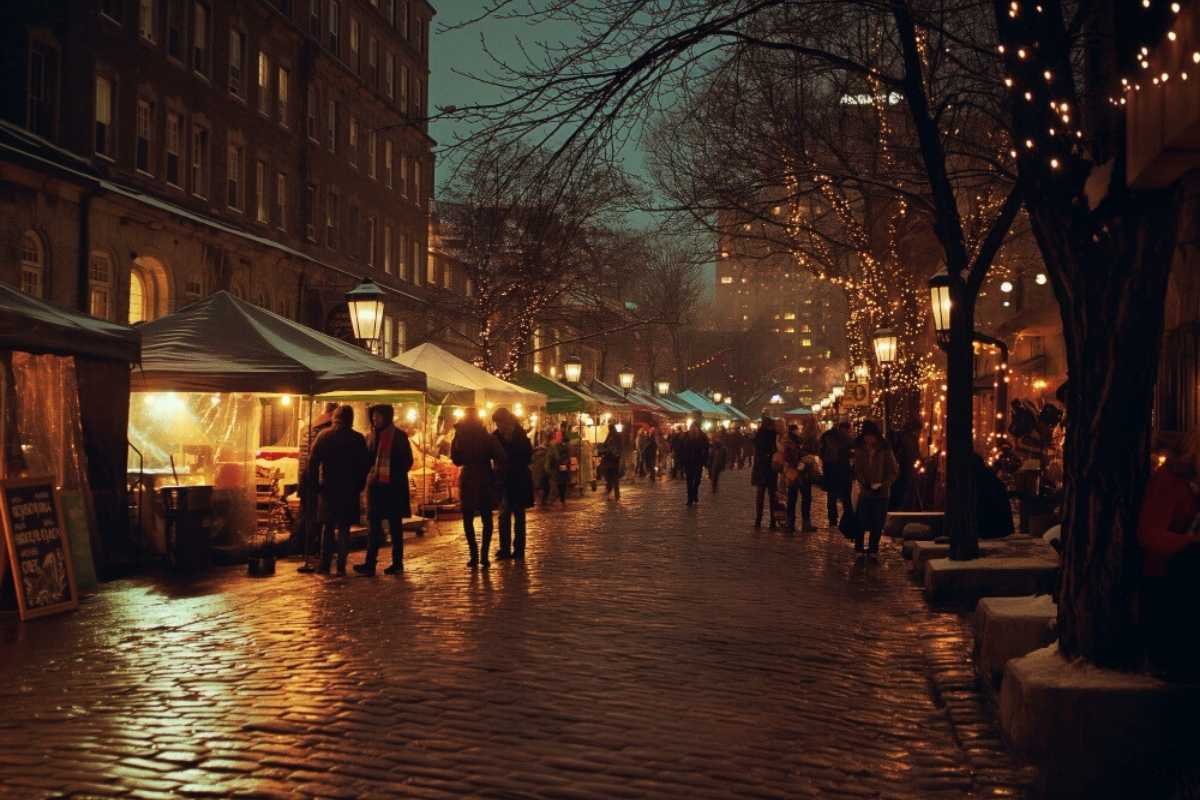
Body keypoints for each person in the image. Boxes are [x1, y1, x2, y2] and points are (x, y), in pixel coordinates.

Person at [305, 405, 370, 575]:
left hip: (328, 488)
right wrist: (359, 485)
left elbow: (312, 461)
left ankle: (325, 564)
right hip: (349, 489)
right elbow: (364, 465)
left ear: (335, 417)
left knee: (327, 527)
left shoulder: (324, 436)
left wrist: (314, 485)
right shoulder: (357, 439)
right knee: (344, 529)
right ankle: (341, 565)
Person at [352, 405, 414, 576]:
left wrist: (391, 472)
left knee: (395, 527)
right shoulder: (371, 436)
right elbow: (367, 460)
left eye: (378, 416)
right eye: (373, 416)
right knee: (374, 526)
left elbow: (408, 461)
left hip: (393, 488)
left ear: (387, 417)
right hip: (376, 488)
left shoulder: (399, 437)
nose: (375, 419)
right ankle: (370, 563)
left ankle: (397, 563)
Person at [451, 409, 506, 568]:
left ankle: (474, 555)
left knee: (468, 519)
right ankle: (484, 555)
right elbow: (501, 457)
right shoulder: (488, 438)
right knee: (486, 518)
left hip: (468, 479)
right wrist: (496, 476)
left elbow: (456, 460)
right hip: (485, 479)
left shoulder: (460, 437)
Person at [296, 401, 337, 571]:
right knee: (320, 519)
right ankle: (315, 551)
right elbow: (318, 461)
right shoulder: (326, 432)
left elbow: (303, 459)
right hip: (319, 481)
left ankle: (307, 549)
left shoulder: (309, 429)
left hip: (306, 478)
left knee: (309, 516)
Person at [852, 420, 899, 558]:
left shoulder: (885, 449)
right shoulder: (860, 448)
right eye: (866, 436)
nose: (868, 439)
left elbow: (893, 471)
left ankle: (873, 549)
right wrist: (864, 482)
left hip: (882, 493)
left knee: (877, 522)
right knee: (861, 520)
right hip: (865, 492)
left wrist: (884, 484)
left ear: (876, 436)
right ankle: (859, 548)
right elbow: (857, 469)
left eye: (871, 436)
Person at [492, 408, 534, 561]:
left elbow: (529, 456)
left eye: (500, 423)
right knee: (503, 516)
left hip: (519, 480)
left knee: (519, 515)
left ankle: (519, 549)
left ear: (507, 421)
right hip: (503, 481)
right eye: (497, 424)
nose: (499, 426)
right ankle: (504, 548)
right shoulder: (495, 437)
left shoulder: (520, 435)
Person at [782, 423, 817, 533]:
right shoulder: (789, 442)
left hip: (802, 474)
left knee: (802, 498)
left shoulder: (801, 441)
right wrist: (802, 459)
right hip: (795, 473)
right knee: (796, 498)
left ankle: (796, 523)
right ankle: (793, 523)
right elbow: (788, 456)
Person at [820, 420, 854, 526]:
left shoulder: (826, 436)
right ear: (846, 429)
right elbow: (851, 451)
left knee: (832, 496)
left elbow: (821, 452)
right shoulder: (845, 438)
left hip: (829, 470)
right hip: (843, 470)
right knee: (846, 497)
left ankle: (832, 519)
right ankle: (848, 519)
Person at [751, 415, 780, 529]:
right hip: (770, 468)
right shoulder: (773, 435)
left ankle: (758, 520)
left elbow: (757, 449)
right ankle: (772, 520)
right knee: (771, 495)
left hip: (760, 468)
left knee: (761, 495)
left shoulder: (759, 435)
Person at [680, 421, 710, 506]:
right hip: (688, 461)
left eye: (694, 427)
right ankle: (690, 498)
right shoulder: (685, 435)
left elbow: (706, 448)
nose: (693, 428)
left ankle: (695, 492)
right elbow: (681, 448)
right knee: (689, 480)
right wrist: (681, 459)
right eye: (692, 427)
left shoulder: (702, 436)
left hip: (698, 461)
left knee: (697, 479)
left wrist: (705, 460)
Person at [545, 430, 571, 506]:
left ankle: (562, 499)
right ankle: (552, 499)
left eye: (560, 436)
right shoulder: (552, 447)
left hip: (563, 469)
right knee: (555, 484)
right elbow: (549, 457)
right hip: (555, 469)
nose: (559, 437)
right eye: (557, 436)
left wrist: (566, 462)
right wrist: (548, 468)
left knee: (563, 484)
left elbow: (567, 456)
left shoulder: (565, 447)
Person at [599, 424, 623, 499]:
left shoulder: (612, 436)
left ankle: (611, 492)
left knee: (610, 477)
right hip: (615, 460)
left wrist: (603, 450)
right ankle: (615, 492)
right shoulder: (616, 436)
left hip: (610, 460)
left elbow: (606, 447)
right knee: (614, 477)